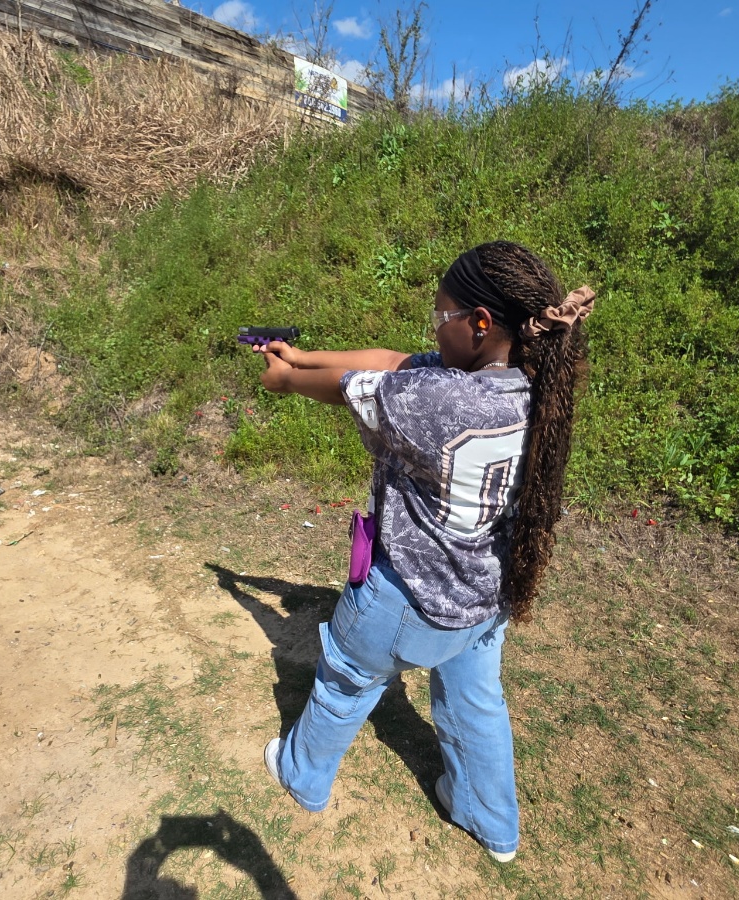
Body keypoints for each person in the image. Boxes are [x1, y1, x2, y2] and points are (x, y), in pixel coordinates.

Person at [252, 240, 594, 863]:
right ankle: (489, 820)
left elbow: (356, 387)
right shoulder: (535, 383)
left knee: (344, 679)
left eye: (441, 317)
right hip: (486, 595)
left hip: (405, 599)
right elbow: (394, 361)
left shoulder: (436, 401)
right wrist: (301, 355)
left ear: (481, 323)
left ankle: (301, 775)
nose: (434, 329)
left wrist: (286, 378)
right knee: (476, 703)